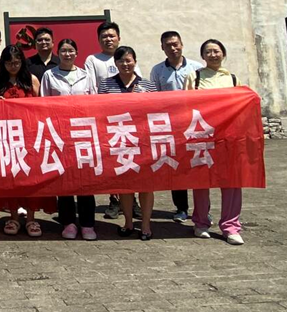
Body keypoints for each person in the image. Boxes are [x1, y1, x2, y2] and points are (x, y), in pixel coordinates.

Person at [0, 45, 56, 238]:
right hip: (6, 137)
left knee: (31, 177)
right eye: (9, 63)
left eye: (17, 62)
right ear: (3, 64)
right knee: (11, 178)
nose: (13, 66)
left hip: (29, 136)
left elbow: (41, 107)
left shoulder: (31, 79)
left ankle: (31, 218)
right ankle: (13, 217)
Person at [185, 39, 245, 246]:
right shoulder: (195, 77)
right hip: (203, 136)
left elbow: (242, 106)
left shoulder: (232, 78)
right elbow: (185, 106)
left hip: (228, 137)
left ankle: (231, 227)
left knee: (231, 182)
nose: (213, 55)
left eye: (216, 51)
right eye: (208, 52)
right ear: (202, 56)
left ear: (223, 54)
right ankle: (201, 223)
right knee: (202, 181)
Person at [40, 39, 97, 241]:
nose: (67, 54)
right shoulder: (49, 75)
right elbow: (44, 104)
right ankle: (68, 223)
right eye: (63, 51)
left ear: (76, 53)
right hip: (60, 132)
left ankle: (88, 223)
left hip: (83, 132)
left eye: (71, 50)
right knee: (64, 180)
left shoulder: (86, 75)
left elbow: (94, 102)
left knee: (85, 180)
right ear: (58, 53)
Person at [99, 46, 158, 241]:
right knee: (125, 185)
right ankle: (128, 223)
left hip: (144, 142)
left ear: (135, 61)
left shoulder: (148, 85)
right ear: (115, 63)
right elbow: (100, 111)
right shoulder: (106, 85)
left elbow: (155, 111)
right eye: (121, 61)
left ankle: (146, 225)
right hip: (119, 140)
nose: (125, 64)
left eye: (129, 60)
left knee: (146, 185)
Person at [83, 21, 141, 220]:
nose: (108, 39)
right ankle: (115, 201)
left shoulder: (128, 55)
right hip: (107, 118)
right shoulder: (93, 60)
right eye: (104, 37)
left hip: (131, 120)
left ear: (119, 37)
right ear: (98, 40)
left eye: (111, 36)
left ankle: (133, 201)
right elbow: (92, 87)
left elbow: (139, 83)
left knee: (132, 160)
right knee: (112, 161)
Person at [150, 31, 204, 222]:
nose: (173, 48)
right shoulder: (157, 70)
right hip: (171, 126)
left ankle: (202, 210)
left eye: (175, 44)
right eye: (168, 45)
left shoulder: (196, 68)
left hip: (194, 125)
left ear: (182, 44)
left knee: (197, 167)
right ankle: (181, 208)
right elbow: (154, 98)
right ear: (162, 48)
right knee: (176, 167)